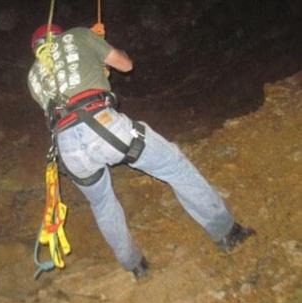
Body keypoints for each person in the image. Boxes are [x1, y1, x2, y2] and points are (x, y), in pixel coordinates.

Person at [27, 24, 255, 279]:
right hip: (102, 125)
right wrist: (98, 45)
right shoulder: (78, 35)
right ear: (60, 34)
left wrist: (93, 58)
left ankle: (135, 266)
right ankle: (227, 234)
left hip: (67, 150)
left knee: (102, 204)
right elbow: (125, 65)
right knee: (174, 165)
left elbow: (66, 87)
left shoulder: (33, 76)